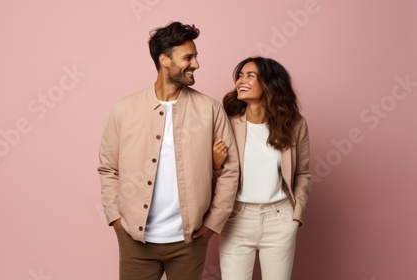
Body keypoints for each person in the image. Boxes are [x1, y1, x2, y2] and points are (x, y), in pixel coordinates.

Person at [97, 21, 239, 280]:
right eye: (188, 57)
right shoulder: (125, 109)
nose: (196, 64)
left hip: (189, 241)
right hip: (134, 240)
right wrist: (115, 218)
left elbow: (231, 171)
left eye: (196, 56)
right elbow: (108, 167)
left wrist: (211, 224)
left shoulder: (210, 109)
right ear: (164, 60)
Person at [213, 57, 311, 279]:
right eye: (239, 75)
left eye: (250, 75)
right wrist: (215, 164)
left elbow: (302, 173)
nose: (241, 81)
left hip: (279, 219)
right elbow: (215, 175)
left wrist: (296, 216)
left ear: (270, 83)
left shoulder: (294, 125)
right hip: (236, 218)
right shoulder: (227, 123)